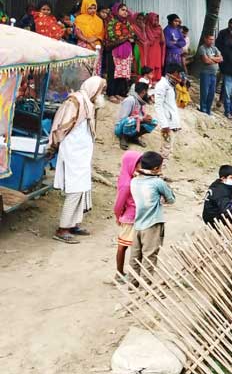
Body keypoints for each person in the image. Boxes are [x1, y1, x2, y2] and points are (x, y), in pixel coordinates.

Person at [48, 76, 107, 243]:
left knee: (82, 189)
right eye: (100, 90)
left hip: (81, 155)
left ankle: (73, 224)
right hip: (73, 154)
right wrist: (54, 145)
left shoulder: (86, 102)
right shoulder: (75, 102)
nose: (101, 94)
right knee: (75, 189)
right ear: (93, 89)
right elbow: (62, 126)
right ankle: (62, 229)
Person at [129, 151, 175, 284]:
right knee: (149, 256)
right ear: (156, 168)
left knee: (135, 256)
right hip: (153, 223)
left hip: (138, 223)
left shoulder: (134, 181)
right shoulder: (157, 182)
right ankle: (145, 286)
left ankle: (132, 284)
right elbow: (171, 199)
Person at [113, 151, 142, 282]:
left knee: (132, 246)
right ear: (131, 164)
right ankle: (119, 273)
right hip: (129, 218)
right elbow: (119, 203)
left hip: (136, 216)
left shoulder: (131, 179)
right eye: (139, 164)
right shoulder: (127, 183)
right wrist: (118, 216)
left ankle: (129, 273)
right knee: (123, 246)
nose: (141, 166)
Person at [105, 2, 135, 101]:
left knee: (122, 73)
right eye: (122, 10)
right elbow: (111, 37)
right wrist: (126, 38)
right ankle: (111, 94)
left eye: (126, 10)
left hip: (127, 51)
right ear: (116, 11)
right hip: (115, 51)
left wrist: (129, 39)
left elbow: (133, 36)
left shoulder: (127, 24)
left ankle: (119, 92)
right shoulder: (112, 23)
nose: (125, 12)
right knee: (113, 72)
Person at [154, 63, 182, 165]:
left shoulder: (170, 86)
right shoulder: (162, 85)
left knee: (168, 150)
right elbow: (158, 105)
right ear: (174, 73)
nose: (179, 77)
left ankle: (161, 172)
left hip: (172, 123)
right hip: (167, 124)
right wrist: (164, 124)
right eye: (178, 74)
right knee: (165, 151)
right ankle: (159, 173)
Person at [115, 82, 157, 149]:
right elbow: (123, 118)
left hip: (134, 124)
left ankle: (134, 137)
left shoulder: (141, 102)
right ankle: (124, 138)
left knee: (154, 122)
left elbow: (140, 117)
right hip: (121, 128)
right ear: (143, 92)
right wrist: (142, 119)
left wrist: (146, 118)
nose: (147, 94)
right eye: (147, 92)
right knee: (130, 121)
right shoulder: (130, 100)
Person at [197, 33, 222, 115]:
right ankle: (203, 108)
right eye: (210, 39)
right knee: (205, 92)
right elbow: (206, 61)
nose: (211, 41)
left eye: (213, 39)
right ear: (205, 39)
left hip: (214, 74)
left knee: (211, 93)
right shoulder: (202, 48)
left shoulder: (214, 48)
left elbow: (221, 59)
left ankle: (208, 110)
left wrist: (211, 58)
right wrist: (215, 60)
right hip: (205, 73)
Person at [142, 12, 166, 81]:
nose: (156, 22)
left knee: (157, 65)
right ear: (150, 19)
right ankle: (149, 80)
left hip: (157, 49)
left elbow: (163, 41)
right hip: (150, 49)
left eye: (157, 20)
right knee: (150, 64)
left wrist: (161, 31)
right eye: (154, 20)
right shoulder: (146, 28)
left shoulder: (159, 28)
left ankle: (156, 80)